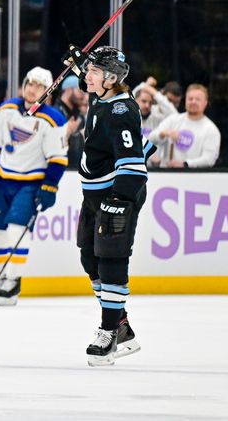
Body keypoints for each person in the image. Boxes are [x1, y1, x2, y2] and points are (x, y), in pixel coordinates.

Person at [67, 45, 154, 366]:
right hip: (93, 195)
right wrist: (80, 65)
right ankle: (121, 326)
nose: (86, 76)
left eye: (92, 71)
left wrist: (121, 201)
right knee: (89, 257)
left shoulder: (121, 111)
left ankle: (108, 332)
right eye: (88, 70)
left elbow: (134, 164)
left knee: (111, 259)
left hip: (115, 195)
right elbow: (90, 84)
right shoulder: (101, 95)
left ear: (111, 79)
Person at [0, 67, 68, 306]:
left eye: (39, 85)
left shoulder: (53, 120)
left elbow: (57, 158)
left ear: (47, 91)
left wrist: (50, 186)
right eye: (30, 83)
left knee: (17, 229)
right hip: (3, 180)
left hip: (30, 183)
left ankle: (13, 282)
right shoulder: (6, 110)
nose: (32, 88)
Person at [147, 83, 221, 168]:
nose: (193, 101)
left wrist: (185, 164)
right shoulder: (173, 120)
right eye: (190, 99)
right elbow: (150, 139)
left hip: (196, 178)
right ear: (185, 100)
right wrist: (163, 133)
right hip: (168, 176)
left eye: (197, 99)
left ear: (205, 103)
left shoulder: (211, 129)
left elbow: (209, 159)